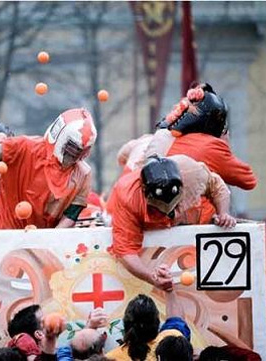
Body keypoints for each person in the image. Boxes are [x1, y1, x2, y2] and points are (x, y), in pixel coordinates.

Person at [108, 154, 235, 290]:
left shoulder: (192, 172)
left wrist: (223, 213)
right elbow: (125, 250)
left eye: (174, 205)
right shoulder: (127, 196)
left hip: (195, 225)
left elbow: (217, 187)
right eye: (159, 208)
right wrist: (152, 277)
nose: (167, 213)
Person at [120, 83, 257, 191]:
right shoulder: (211, 147)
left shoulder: (156, 136)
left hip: (124, 198)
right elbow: (249, 180)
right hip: (167, 215)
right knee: (212, 194)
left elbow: (121, 156)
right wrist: (225, 147)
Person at [106, 292, 190, 361]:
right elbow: (176, 320)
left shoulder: (111, 358)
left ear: (125, 325)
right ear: (157, 323)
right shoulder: (173, 342)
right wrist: (169, 290)